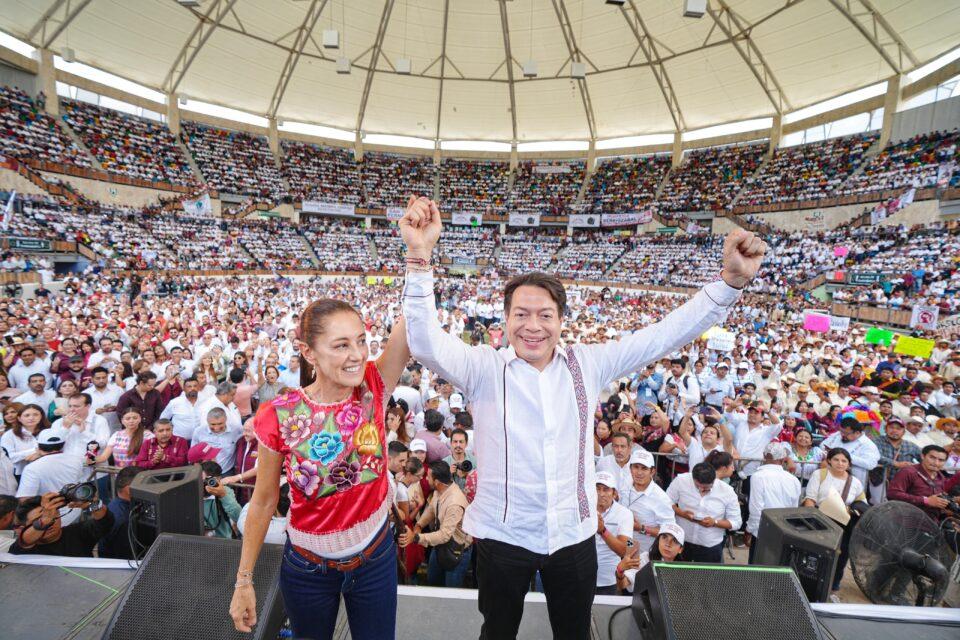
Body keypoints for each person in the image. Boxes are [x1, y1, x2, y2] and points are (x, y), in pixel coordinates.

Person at [400, 196, 764, 638]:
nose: (533, 326)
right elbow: (424, 342)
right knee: (497, 631)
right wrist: (419, 256)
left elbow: (661, 337)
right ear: (506, 319)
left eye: (545, 315)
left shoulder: (586, 364)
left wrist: (729, 284)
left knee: (573, 632)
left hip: (573, 537)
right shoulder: (483, 368)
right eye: (521, 315)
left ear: (561, 321)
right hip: (502, 537)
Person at [230, 298, 410, 640]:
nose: (358, 354)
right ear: (308, 352)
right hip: (307, 570)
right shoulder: (279, 414)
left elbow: (410, 318)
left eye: (361, 340)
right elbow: (264, 501)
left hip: (376, 559)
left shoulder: (374, 385)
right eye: (341, 345)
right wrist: (243, 581)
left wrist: (418, 267)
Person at [398, 460, 472, 587]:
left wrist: (416, 537)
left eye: (428, 476)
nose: (426, 479)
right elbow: (432, 509)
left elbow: (444, 535)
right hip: (440, 545)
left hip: (456, 551)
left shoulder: (454, 503)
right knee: (433, 582)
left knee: (450, 591)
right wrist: (419, 525)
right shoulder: (440, 490)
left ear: (437, 482)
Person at [803, 448, 868, 592]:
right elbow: (810, 498)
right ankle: (810, 580)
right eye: (836, 460)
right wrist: (811, 521)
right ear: (829, 461)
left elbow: (862, 503)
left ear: (849, 464)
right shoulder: (820, 474)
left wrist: (853, 510)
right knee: (816, 552)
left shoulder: (855, 482)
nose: (840, 463)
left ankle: (834, 583)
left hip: (845, 523)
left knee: (841, 553)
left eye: (844, 461)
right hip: (820, 519)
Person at [667, 462, 741, 563]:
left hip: (710, 547)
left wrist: (714, 523)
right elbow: (666, 502)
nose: (701, 490)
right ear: (693, 478)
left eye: (706, 488)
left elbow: (736, 522)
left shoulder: (727, 492)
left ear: (714, 480)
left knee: (707, 573)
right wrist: (681, 513)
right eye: (697, 486)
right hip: (681, 542)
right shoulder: (681, 481)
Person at [15, 429, 87, 526]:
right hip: (74, 512)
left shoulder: (32, 468)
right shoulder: (76, 460)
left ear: (38, 447)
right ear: (63, 445)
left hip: (48, 519)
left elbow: (25, 500)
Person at [10, 491, 113, 557]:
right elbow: (25, 541)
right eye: (37, 520)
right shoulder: (21, 549)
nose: (49, 523)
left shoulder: (78, 532)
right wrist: (44, 520)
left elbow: (105, 521)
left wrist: (93, 504)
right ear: (23, 528)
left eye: (53, 516)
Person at [747, 442, 802, 564]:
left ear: (764, 455)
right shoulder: (793, 480)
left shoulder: (758, 477)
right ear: (783, 459)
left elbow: (756, 509)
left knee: (756, 567)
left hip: (763, 531)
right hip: (784, 531)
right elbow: (793, 510)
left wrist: (750, 530)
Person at [618, 448, 675, 551]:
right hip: (623, 546)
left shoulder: (661, 498)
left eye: (644, 468)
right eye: (636, 467)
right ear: (630, 468)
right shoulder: (624, 484)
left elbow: (669, 533)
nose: (639, 472)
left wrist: (641, 528)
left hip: (646, 552)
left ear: (652, 471)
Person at [888, 445, 960, 521]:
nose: (936, 463)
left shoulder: (941, 477)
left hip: (929, 522)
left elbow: (936, 500)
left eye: (941, 460)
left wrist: (946, 504)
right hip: (904, 518)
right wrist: (926, 500)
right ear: (922, 456)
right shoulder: (908, 472)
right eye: (932, 458)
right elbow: (892, 494)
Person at [592, 471, 633, 595]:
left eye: (606, 489)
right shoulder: (581, 508)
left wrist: (603, 531)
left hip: (608, 580)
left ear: (614, 493)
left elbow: (625, 550)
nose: (601, 494)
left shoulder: (626, 514)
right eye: (597, 489)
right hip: (580, 576)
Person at [615, 523, 686, 594]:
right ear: (658, 540)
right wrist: (620, 571)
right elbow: (623, 585)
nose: (668, 544)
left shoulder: (684, 570)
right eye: (664, 537)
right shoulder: (645, 559)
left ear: (680, 549)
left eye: (675, 541)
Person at [869, 417, 921, 505]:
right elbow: (876, 457)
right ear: (885, 429)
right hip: (880, 482)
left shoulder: (911, 446)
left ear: (904, 432)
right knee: (878, 506)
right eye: (891, 427)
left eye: (898, 428)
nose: (894, 431)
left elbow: (924, 459)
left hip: (902, 487)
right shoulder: (876, 440)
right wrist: (896, 464)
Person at [819, 417, 881, 485]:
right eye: (841, 431)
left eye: (846, 433)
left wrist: (845, 456)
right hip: (829, 477)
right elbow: (823, 445)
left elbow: (871, 464)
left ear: (857, 433)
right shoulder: (838, 435)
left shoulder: (868, 445)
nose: (842, 435)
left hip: (852, 481)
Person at [98, 465, 143, 559]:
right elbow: (127, 556)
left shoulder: (114, 505)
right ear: (129, 489)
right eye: (143, 485)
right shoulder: (124, 520)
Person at [0, 403, 48, 478]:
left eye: (35, 414)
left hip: (46, 471)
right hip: (20, 474)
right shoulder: (9, 435)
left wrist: (39, 453)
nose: (31, 418)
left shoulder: (48, 431)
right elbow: (9, 457)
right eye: (27, 415)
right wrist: (36, 451)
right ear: (19, 418)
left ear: (41, 416)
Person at [191, 407, 242, 475]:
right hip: (206, 473)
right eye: (213, 424)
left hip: (228, 472)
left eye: (220, 423)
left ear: (226, 419)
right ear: (207, 421)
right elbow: (194, 455)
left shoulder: (237, 430)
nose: (216, 428)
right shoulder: (199, 431)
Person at [200, 460, 243, 539]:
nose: (205, 484)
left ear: (219, 479)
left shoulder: (225, 491)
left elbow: (238, 516)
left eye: (209, 481)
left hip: (222, 539)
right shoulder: (194, 493)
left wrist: (223, 495)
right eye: (202, 481)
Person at [159, 375, 203, 440]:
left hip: (200, 440)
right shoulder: (175, 402)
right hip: (179, 441)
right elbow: (163, 419)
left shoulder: (205, 401)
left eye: (195, 386)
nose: (192, 388)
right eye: (189, 386)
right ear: (184, 389)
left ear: (198, 388)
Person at [442, 428, 475, 493]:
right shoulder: (444, 463)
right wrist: (448, 474)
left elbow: (480, 483)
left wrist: (468, 475)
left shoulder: (474, 461)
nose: (458, 445)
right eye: (455, 441)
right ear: (451, 443)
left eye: (461, 442)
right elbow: (440, 486)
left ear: (466, 444)